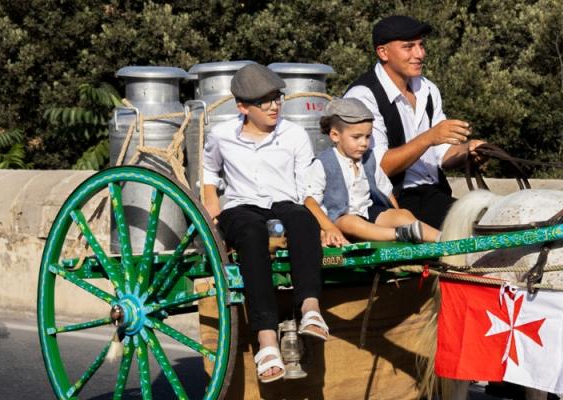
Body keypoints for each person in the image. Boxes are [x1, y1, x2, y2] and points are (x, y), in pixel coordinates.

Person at [200, 63, 330, 384]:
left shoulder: (295, 134)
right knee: (250, 231)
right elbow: (208, 172)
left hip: (282, 206)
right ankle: (266, 341)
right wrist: (213, 213)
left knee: (302, 218)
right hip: (241, 208)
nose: (274, 106)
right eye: (264, 101)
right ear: (242, 107)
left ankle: (310, 309)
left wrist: (324, 223)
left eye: (277, 98)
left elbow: (306, 190)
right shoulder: (221, 136)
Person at [344, 15, 484, 229]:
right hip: (391, 201)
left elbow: (442, 155)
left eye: (421, 45)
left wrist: (467, 151)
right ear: (383, 52)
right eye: (409, 47)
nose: (420, 54)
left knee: (487, 218)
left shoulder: (427, 89)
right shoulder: (363, 96)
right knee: (474, 228)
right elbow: (380, 167)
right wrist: (430, 137)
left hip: (431, 194)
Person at [306, 97, 440, 243]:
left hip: (369, 213)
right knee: (350, 222)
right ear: (335, 135)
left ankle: (443, 238)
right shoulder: (324, 163)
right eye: (356, 137)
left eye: (367, 136)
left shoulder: (369, 159)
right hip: (340, 219)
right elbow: (310, 202)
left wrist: (396, 213)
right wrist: (329, 229)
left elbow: (386, 192)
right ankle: (399, 235)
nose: (364, 143)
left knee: (403, 214)